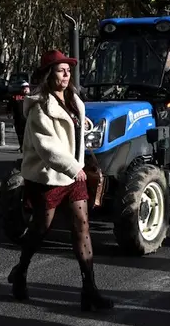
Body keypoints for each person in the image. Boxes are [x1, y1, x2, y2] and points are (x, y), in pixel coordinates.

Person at [8, 49, 114, 312]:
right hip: (50, 177)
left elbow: (71, 128)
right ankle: (20, 272)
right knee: (41, 228)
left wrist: (82, 125)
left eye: (68, 70)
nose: (67, 74)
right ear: (48, 75)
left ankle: (90, 289)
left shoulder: (72, 99)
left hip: (72, 174)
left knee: (82, 225)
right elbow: (47, 148)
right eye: (60, 70)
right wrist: (71, 167)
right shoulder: (39, 109)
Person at [9, 80, 31, 151]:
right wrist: (9, 113)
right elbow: (10, 106)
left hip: (28, 119)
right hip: (18, 118)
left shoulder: (31, 97)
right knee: (20, 133)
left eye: (27, 88)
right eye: (24, 88)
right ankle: (21, 146)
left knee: (28, 134)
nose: (26, 90)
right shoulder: (16, 97)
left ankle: (27, 147)